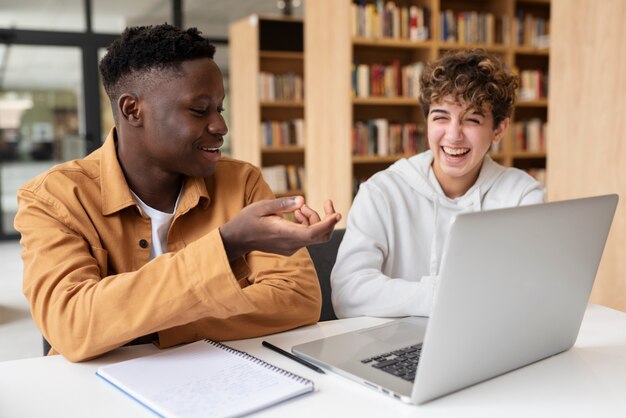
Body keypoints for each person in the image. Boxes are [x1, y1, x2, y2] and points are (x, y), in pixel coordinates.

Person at [14, 24, 341, 362]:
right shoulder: (53, 198)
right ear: (132, 110)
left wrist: (137, 324)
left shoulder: (242, 181)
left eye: (220, 109)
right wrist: (228, 243)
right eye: (200, 110)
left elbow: (297, 300)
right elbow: (72, 326)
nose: (220, 127)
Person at [331, 49, 544, 318]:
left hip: (487, 342)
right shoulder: (382, 192)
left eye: (472, 119)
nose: (453, 135)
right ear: (427, 121)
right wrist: (441, 296)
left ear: (498, 130)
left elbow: (531, 291)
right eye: (441, 117)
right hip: (392, 347)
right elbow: (348, 294)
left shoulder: (521, 196)